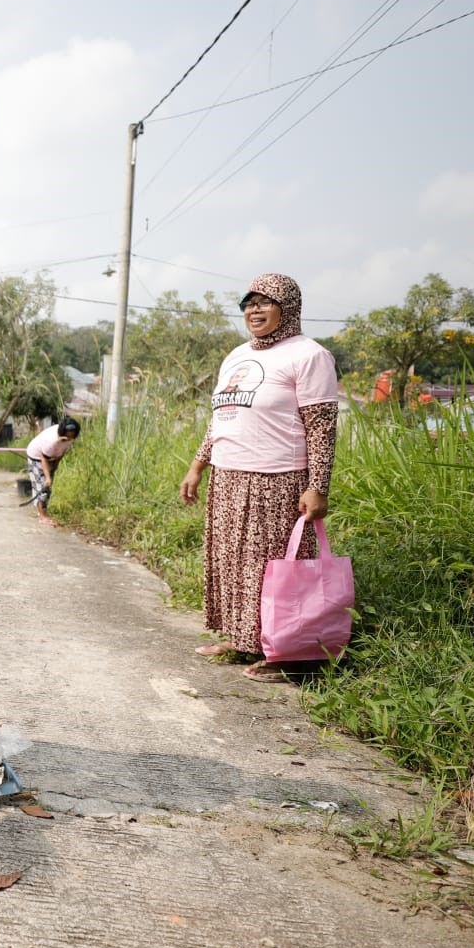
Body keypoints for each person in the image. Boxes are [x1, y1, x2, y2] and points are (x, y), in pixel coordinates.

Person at [179, 274, 339, 683]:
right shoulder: (236, 355)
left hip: (277, 479)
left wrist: (318, 486)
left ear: (288, 308)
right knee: (233, 564)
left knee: (273, 569)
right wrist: (199, 465)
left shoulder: (309, 355)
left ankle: (286, 652)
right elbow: (220, 420)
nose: (255, 309)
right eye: (249, 303)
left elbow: (321, 427)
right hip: (229, 476)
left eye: (266, 302)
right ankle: (243, 637)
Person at [24, 417, 80, 524]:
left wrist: (55, 465)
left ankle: (42, 511)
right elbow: (44, 458)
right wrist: (48, 477)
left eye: (73, 434)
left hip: (51, 457)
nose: (70, 437)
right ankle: (42, 515)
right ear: (63, 432)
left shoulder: (71, 438)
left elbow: (62, 451)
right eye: (68, 435)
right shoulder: (52, 440)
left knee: (48, 488)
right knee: (42, 487)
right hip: (37, 457)